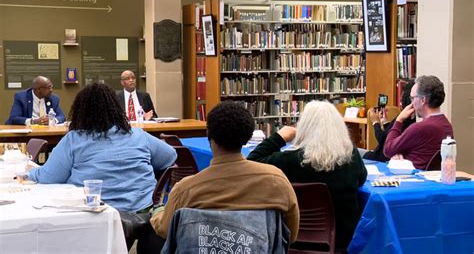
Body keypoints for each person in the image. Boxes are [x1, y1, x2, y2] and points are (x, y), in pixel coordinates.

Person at [149, 101, 299, 249]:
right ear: (248, 137)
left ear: (208, 135)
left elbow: (164, 229)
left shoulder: (186, 189)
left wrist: (157, 212)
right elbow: (290, 234)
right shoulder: (276, 180)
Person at [25, 83, 177, 212]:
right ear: (116, 108)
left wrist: (30, 172)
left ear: (80, 111)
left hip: (96, 212)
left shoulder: (74, 139)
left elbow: (50, 177)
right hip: (143, 209)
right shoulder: (138, 135)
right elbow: (170, 156)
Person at [247, 100, 368, 251]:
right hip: (342, 242)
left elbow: (252, 162)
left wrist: (279, 137)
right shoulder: (352, 156)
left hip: (294, 239)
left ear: (304, 127)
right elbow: (362, 178)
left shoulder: (292, 160)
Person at [384, 75, 454, 169]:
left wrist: (399, 120)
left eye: (413, 98)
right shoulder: (447, 125)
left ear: (422, 100)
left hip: (410, 179)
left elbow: (388, 150)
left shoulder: (419, 128)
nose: (411, 103)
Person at [363, 80, 416, 162]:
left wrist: (375, 122)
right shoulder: (412, 119)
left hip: (379, 157)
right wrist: (385, 121)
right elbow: (392, 133)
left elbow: (383, 139)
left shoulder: (404, 117)